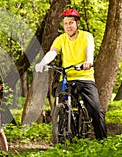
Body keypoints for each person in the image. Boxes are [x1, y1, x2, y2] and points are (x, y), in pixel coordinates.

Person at [35, 8, 107, 140]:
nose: (68, 26)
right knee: (61, 102)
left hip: (85, 77)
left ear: (77, 24)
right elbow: (52, 52)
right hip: (67, 78)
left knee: (96, 110)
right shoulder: (61, 39)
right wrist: (42, 63)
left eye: (71, 23)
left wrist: (88, 61)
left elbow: (89, 50)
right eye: (66, 23)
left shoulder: (86, 36)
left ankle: (102, 141)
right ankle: (63, 136)